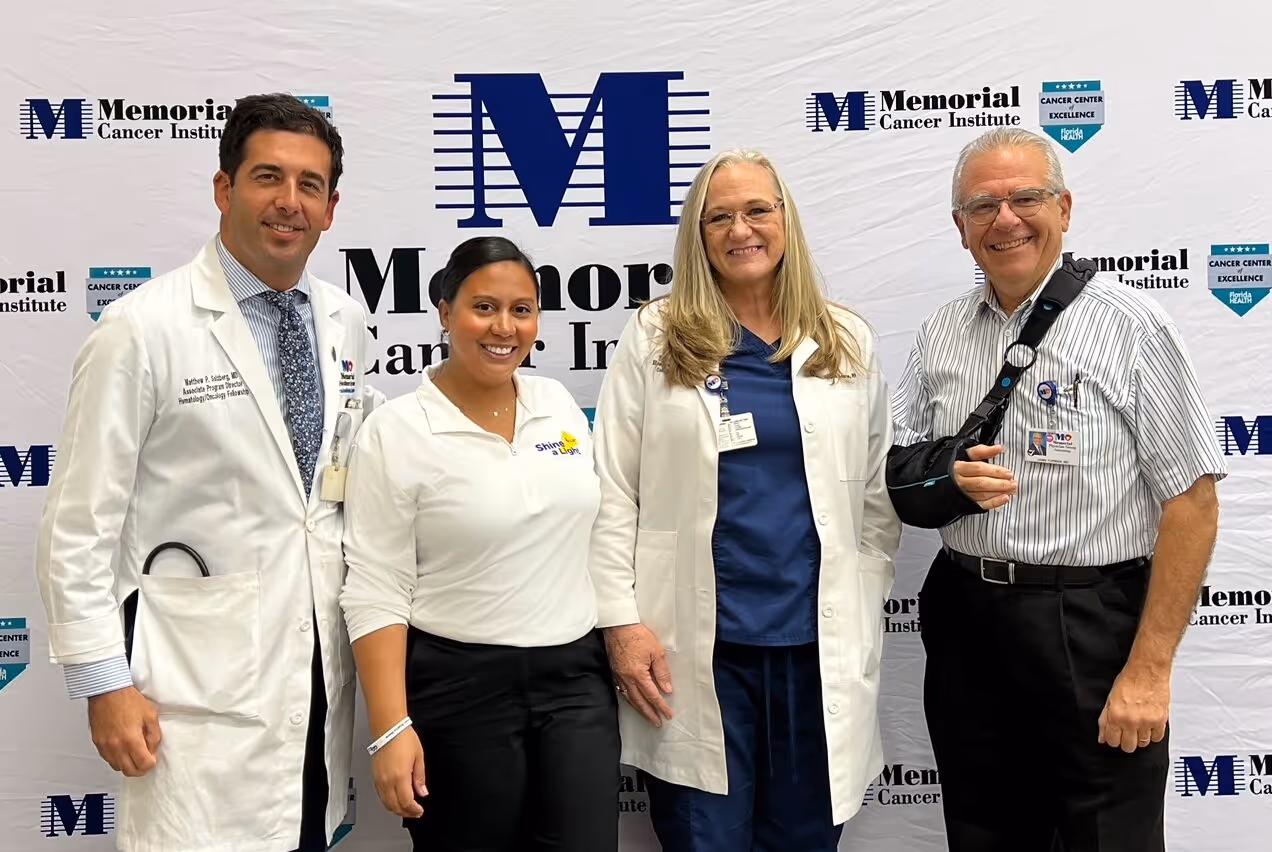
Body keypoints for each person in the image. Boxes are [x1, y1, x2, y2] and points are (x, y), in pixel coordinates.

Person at [34, 94, 370, 851]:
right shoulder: (141, 329)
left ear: (331, 207)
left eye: (309, 185)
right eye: (267, 178)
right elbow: (78, 525)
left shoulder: (345, 319)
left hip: (314, 676)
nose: (289, 203)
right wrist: (103, 685)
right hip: (187, 691)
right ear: (225, 190)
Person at [889, 127, 1225, 852]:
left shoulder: (1131, 325)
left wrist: (1149, 671)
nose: (1005, 219)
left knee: (1108, 835)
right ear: (960, 229)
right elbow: (899, 464)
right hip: (968, 614)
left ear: (1065, 209)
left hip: (1090, 622)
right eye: (983, 206)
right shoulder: (941, 332)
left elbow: (1192, 504)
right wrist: (946, 478)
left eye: (1025, 198)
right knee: (984, 831)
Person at [589, 149, 901, 851]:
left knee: (804, 839)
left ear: (785, 219)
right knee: (706, 841)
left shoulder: (845, 339)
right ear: (698, 237)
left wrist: (867, 584)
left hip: (816, 646)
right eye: (719, 216)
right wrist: (621, 622)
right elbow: (613, 487)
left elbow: (874, 499)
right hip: (697, 652)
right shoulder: (655, 336)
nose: (741, 229)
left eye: (758, 209)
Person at [339, 236, 619, 852]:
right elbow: (376, 586)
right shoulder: (398, 429)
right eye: (484, 307)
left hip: (575, 683)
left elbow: (594, 531)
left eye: (522, 310)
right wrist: (390, 729)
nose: (504, 327)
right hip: (460, 688)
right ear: (444, 311)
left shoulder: (559, 407)